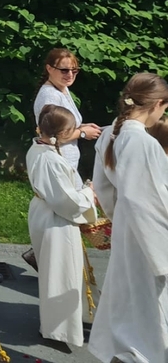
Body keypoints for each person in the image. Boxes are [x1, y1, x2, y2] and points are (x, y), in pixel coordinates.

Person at [88, 73, 168, 363]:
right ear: (157, 104)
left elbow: (104, 187)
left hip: (127, 225)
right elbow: (150, 201)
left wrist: (116, 216)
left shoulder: (111, 133)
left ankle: (127, 352)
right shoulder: (142, 142)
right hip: (148, 235)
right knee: (150, 307)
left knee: (128, 299)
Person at [26, 104, 97, 350]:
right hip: (55, 219)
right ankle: (58, 329)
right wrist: (89, 193)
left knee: (57, 270)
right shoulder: (50, 159)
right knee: (61, 272)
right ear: (62, 133)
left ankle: (66, 321)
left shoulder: (38, 147)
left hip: (44, 211)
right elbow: (66, 201)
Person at [33, 49, 102, 185]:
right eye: (64, 70)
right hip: (58, 164)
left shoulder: (62, 88)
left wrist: (81, 126)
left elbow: (62, 124)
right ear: (49, 69)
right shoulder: (50, 96)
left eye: (74, 70)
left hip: (67, 163)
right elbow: (51, 137)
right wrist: (82, 133)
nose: (70, 75)